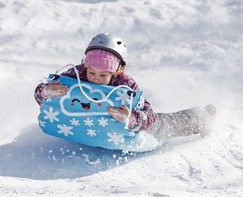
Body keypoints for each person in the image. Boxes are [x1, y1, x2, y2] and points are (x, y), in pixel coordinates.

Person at [34, 33, 216, 139]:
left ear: (117, 70)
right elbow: (39, 96)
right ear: (85, 64)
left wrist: (133, 119)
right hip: (85, 127)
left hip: (135, 127)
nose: (96, 78)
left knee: (162, 126)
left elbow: (149, 114)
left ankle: (199, 117)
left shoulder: (125, 84)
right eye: (92, 72)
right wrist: (45, 92)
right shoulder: (75, 75)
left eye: (103, 75)